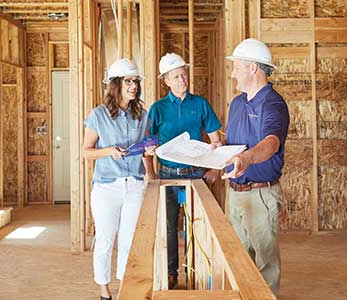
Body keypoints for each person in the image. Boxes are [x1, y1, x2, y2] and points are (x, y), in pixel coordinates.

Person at [221, 38, 290, 296]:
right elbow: (235, 144)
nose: (233, 73)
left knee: (265, 263)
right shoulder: (238, 103)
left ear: (252, 68)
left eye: (237, 67)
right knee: (239, 260)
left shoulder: (273, 104)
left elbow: (271, 143)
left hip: (261, 194)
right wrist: (219, 150)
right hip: (235, 193)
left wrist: (247, 159)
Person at [147, 53, 222, 289]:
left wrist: (214, 169)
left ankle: (195, 271)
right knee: (169, 226)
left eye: (184, 74)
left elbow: (216, 140)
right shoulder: (157, 109)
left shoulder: (200, 104)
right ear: (166, 81)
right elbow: (147, 146)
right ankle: (171, 274)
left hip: (195, 175)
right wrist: (151, 175)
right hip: (167, 175)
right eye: (176, 76)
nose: (182, 79)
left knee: (196, 225)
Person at [82, 58, 154, 300]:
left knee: (128, 240)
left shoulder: (141, 115)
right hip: (106, 187)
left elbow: (144, 147)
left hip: (134, 185)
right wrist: (109, 151)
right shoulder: (98, 115)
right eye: (128, 81)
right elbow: (86, 151)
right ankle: (104, 292)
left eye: (135, 81)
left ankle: (124, 288)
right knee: (105, 239)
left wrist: (149, 151)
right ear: (115, 84)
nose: (134, 86)